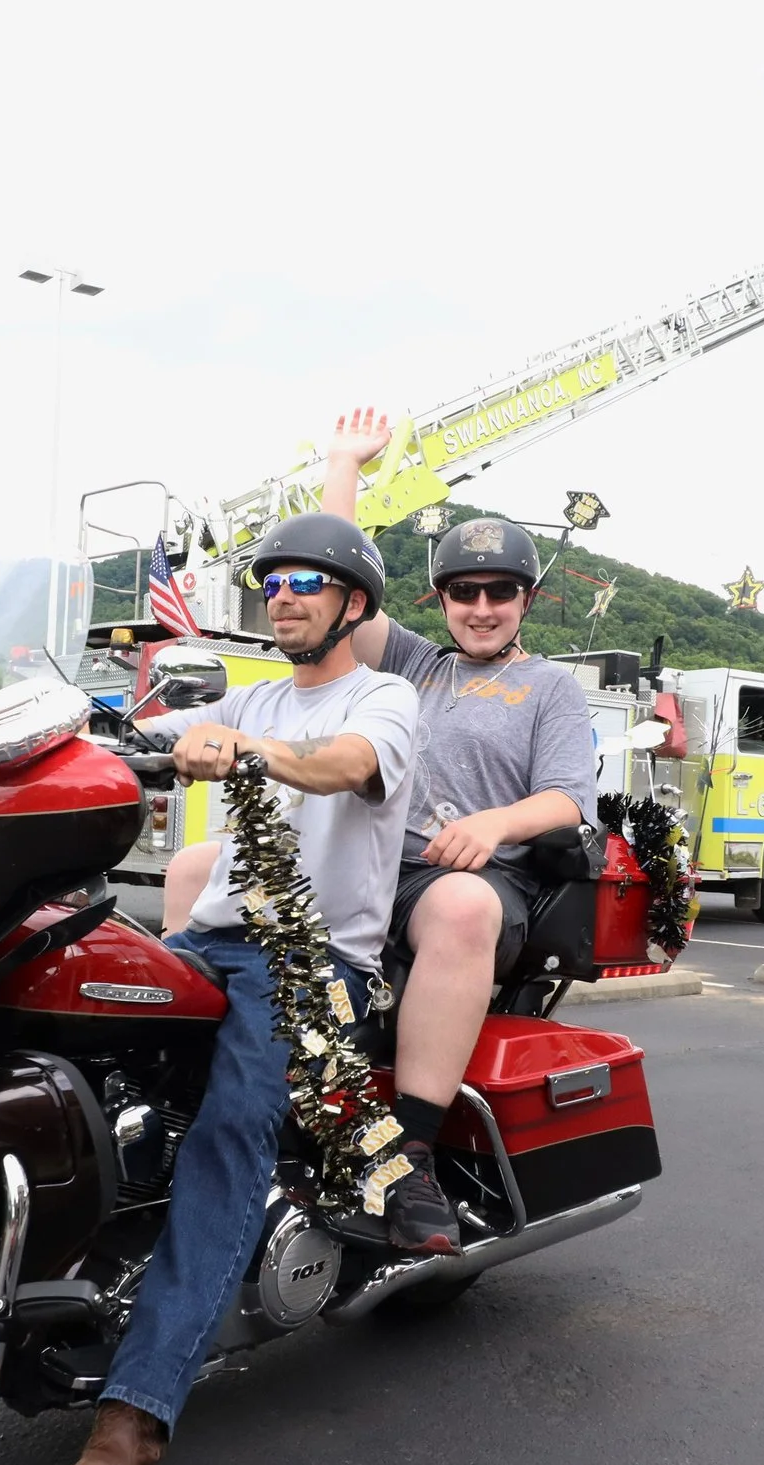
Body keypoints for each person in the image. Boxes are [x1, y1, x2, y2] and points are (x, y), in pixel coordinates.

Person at [34, 512, 420, 1465]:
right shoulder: (243, 692)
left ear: (353, 602)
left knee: (230, 1135)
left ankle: (128, 1435)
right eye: (274, 580)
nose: (284, 593)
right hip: (209, 942)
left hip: (310, 963)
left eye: (307, 579)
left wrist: (249, 750)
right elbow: (142, 739)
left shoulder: (380, 701)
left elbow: (342, 766)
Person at [163, 408, 596, 1220]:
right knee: (194, 866)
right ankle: (187, 1080)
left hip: (471, 874)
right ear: (441, 599)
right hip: (373, 860)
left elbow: (570, 795)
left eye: (500, 592)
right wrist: (344, 464)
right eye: (464, 592)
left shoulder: (552, 688)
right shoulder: (414, 663)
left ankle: (412, 1150)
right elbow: (338, 577)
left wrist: (497, 824)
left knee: (462, 908)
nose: (481, 607)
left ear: (525, 601)